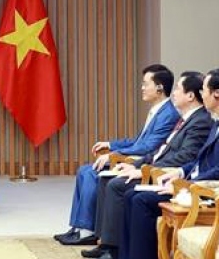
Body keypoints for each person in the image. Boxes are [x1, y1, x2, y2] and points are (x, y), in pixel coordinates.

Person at [108, 67, 219, 259]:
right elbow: (199, 159)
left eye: (204, 90)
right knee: (130, 195)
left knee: (141, 201)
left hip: (213, 194)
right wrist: (180, 172)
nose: (201, 94)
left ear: (217, 94)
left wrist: (186, 186)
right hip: (196, 184)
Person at [84, 71, 212, 259]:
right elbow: (160, 151)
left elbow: (185, 157)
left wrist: (146, 169)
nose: (174, 92)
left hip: (168, 176)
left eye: (178, 88)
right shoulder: (186, 118)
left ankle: (116, 251)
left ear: (190, 96)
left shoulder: (201, 121)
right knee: (110, 179)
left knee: (119, 186)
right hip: (158, 170)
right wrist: (135, 165)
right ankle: (109, 245)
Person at [54, 64, 179, 245]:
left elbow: (148, 146)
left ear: (159, 88)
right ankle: (78, 227)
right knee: (83, 171)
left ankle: (87, 231)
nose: (142, 88)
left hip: (141, 162)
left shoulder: (168, 114)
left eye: (146, 84)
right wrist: (111, 144)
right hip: (134, 157)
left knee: (90, 173)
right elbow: (138, 140)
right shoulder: (157, 110)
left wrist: (115, 153)